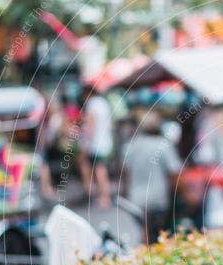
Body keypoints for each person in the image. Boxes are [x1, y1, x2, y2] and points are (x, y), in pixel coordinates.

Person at [121, 111, 182, 245]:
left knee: (146, 234)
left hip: (136, 199)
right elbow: (174, 172)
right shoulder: (163, 145)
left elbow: (125, 172)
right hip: (158, 199)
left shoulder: (132, 146)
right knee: (160, 236)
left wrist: (125, 192)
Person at [78, 85, 113, 209]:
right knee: (100, 169)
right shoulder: (104, 103)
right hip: (106, 141)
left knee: (99, 170)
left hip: (96, 143)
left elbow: (90, 125)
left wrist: (86, 143)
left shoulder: (92, 104)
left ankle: (103, 196)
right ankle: (102, 195)